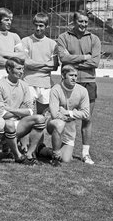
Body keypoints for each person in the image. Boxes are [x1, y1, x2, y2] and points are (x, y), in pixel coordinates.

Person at [56, 10, 101, 165]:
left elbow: (95, 62)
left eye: (86, 22)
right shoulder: (63, 37)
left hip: (88, 82)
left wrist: (72, 60)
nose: (83, 25)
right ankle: (60, 149)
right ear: (73, 22)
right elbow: (63, 58)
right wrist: (84, 57)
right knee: (65, 117)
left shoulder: (94, 39)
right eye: (80, 21)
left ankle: (85, 153)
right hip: (68, 83)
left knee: (86, 119)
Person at [0, 58, 47, 165]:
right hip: (3, 124)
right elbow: (0, 113)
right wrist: (21, 111)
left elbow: (30, 111)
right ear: (9, 69)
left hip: (19, 123)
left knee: (40, 119)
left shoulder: (24, 85)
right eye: (18, 69)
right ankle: (18, 155)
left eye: (23, 69)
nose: (22, 72)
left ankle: (29, 154)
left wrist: (10, 109)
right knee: (8, 122)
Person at [46, 64, 91, 166]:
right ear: (63, 76)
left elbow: (86, 113)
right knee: (59, 124)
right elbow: (54, 114)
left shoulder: (82, 91)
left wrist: (68, 112)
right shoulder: (56, 89)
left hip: (70, 127)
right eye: (71, 75)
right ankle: (55, 155)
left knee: (66, 159)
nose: (74, 78)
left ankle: (44, 150)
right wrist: (75, 115)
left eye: (75, 75)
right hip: (52, 123)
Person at [21, 12, 58, 115]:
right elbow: (26, 63)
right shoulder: (25, 41)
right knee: (28, 115)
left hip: (45, 84)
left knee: (43, 117)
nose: (38, 28)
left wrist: (33, 66)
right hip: (28, 83)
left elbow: (54, 66)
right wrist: (46, 64)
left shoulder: (52, 44)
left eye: (41, 26)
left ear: (47, 26)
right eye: (36, 25)